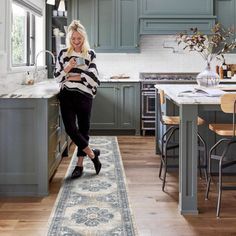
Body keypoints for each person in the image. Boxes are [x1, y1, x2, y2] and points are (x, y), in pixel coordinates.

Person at [54, 20, 101, 178]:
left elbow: (93, 77)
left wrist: (72, 76)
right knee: (70, 129)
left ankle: (79, 166)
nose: (76, 42)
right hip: (67, 96)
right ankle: (93, 155)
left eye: (79, 39)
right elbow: (58, 78)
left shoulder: (90, 54)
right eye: (73, 39)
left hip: (84, 96)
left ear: (84, 37)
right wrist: (67, 69)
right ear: (69, 38)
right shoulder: (63, 54)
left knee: (83, 130)